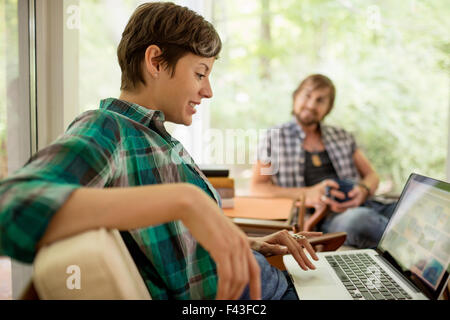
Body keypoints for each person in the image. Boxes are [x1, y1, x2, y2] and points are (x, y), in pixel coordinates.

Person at [0, 2, 321, 300]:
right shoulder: (107, 128)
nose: (208, 91)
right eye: (200, 73)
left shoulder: (157, 138)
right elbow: (11, 205)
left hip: (270, 280)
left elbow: (178, 244)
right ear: (155, 61)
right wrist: (185, 200)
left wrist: (245, 243)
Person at [251, 74, 396, 249]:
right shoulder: (274, 138)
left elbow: (372, 176)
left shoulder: (341, 136)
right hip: (329, 219)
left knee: (410, 209)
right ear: (295, 96)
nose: (312, 105)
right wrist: (308, 193)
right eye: (307, 95)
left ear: (328, 108)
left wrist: (363, 190)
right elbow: (258, 187)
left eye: (320, 100)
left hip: (370, 204)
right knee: (361, 220)